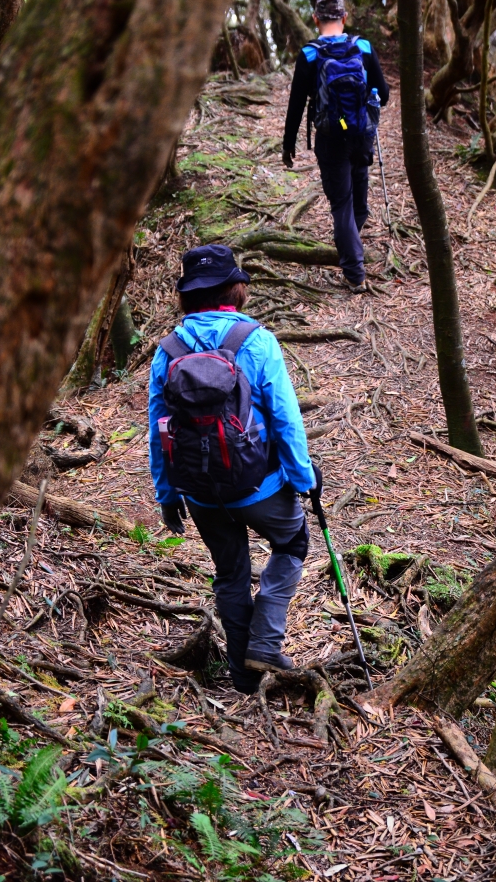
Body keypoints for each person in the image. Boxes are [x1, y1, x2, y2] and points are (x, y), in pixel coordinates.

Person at [148, 244, 322, 694]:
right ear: (234, 289)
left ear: (189, 295)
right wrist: (304, 480)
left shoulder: (167, 350)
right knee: (293, 542)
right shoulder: (257, 340)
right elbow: (285, 417)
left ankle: (243, 677)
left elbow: (157, 430)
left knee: (230, 574)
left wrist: (168, 496)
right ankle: (264, 643)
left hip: (201, 493)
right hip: (260, 486)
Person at [282, 0, 390, 293]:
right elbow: (385, 93)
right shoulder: (363, 47)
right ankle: (349, 248)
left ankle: (354, 273)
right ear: (344, 17)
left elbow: (296, 105)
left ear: (315, 19)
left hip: (330, 139)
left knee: (342, 204)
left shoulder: (309, 54)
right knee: (359, 205)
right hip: (361, 134)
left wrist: (288, 144)